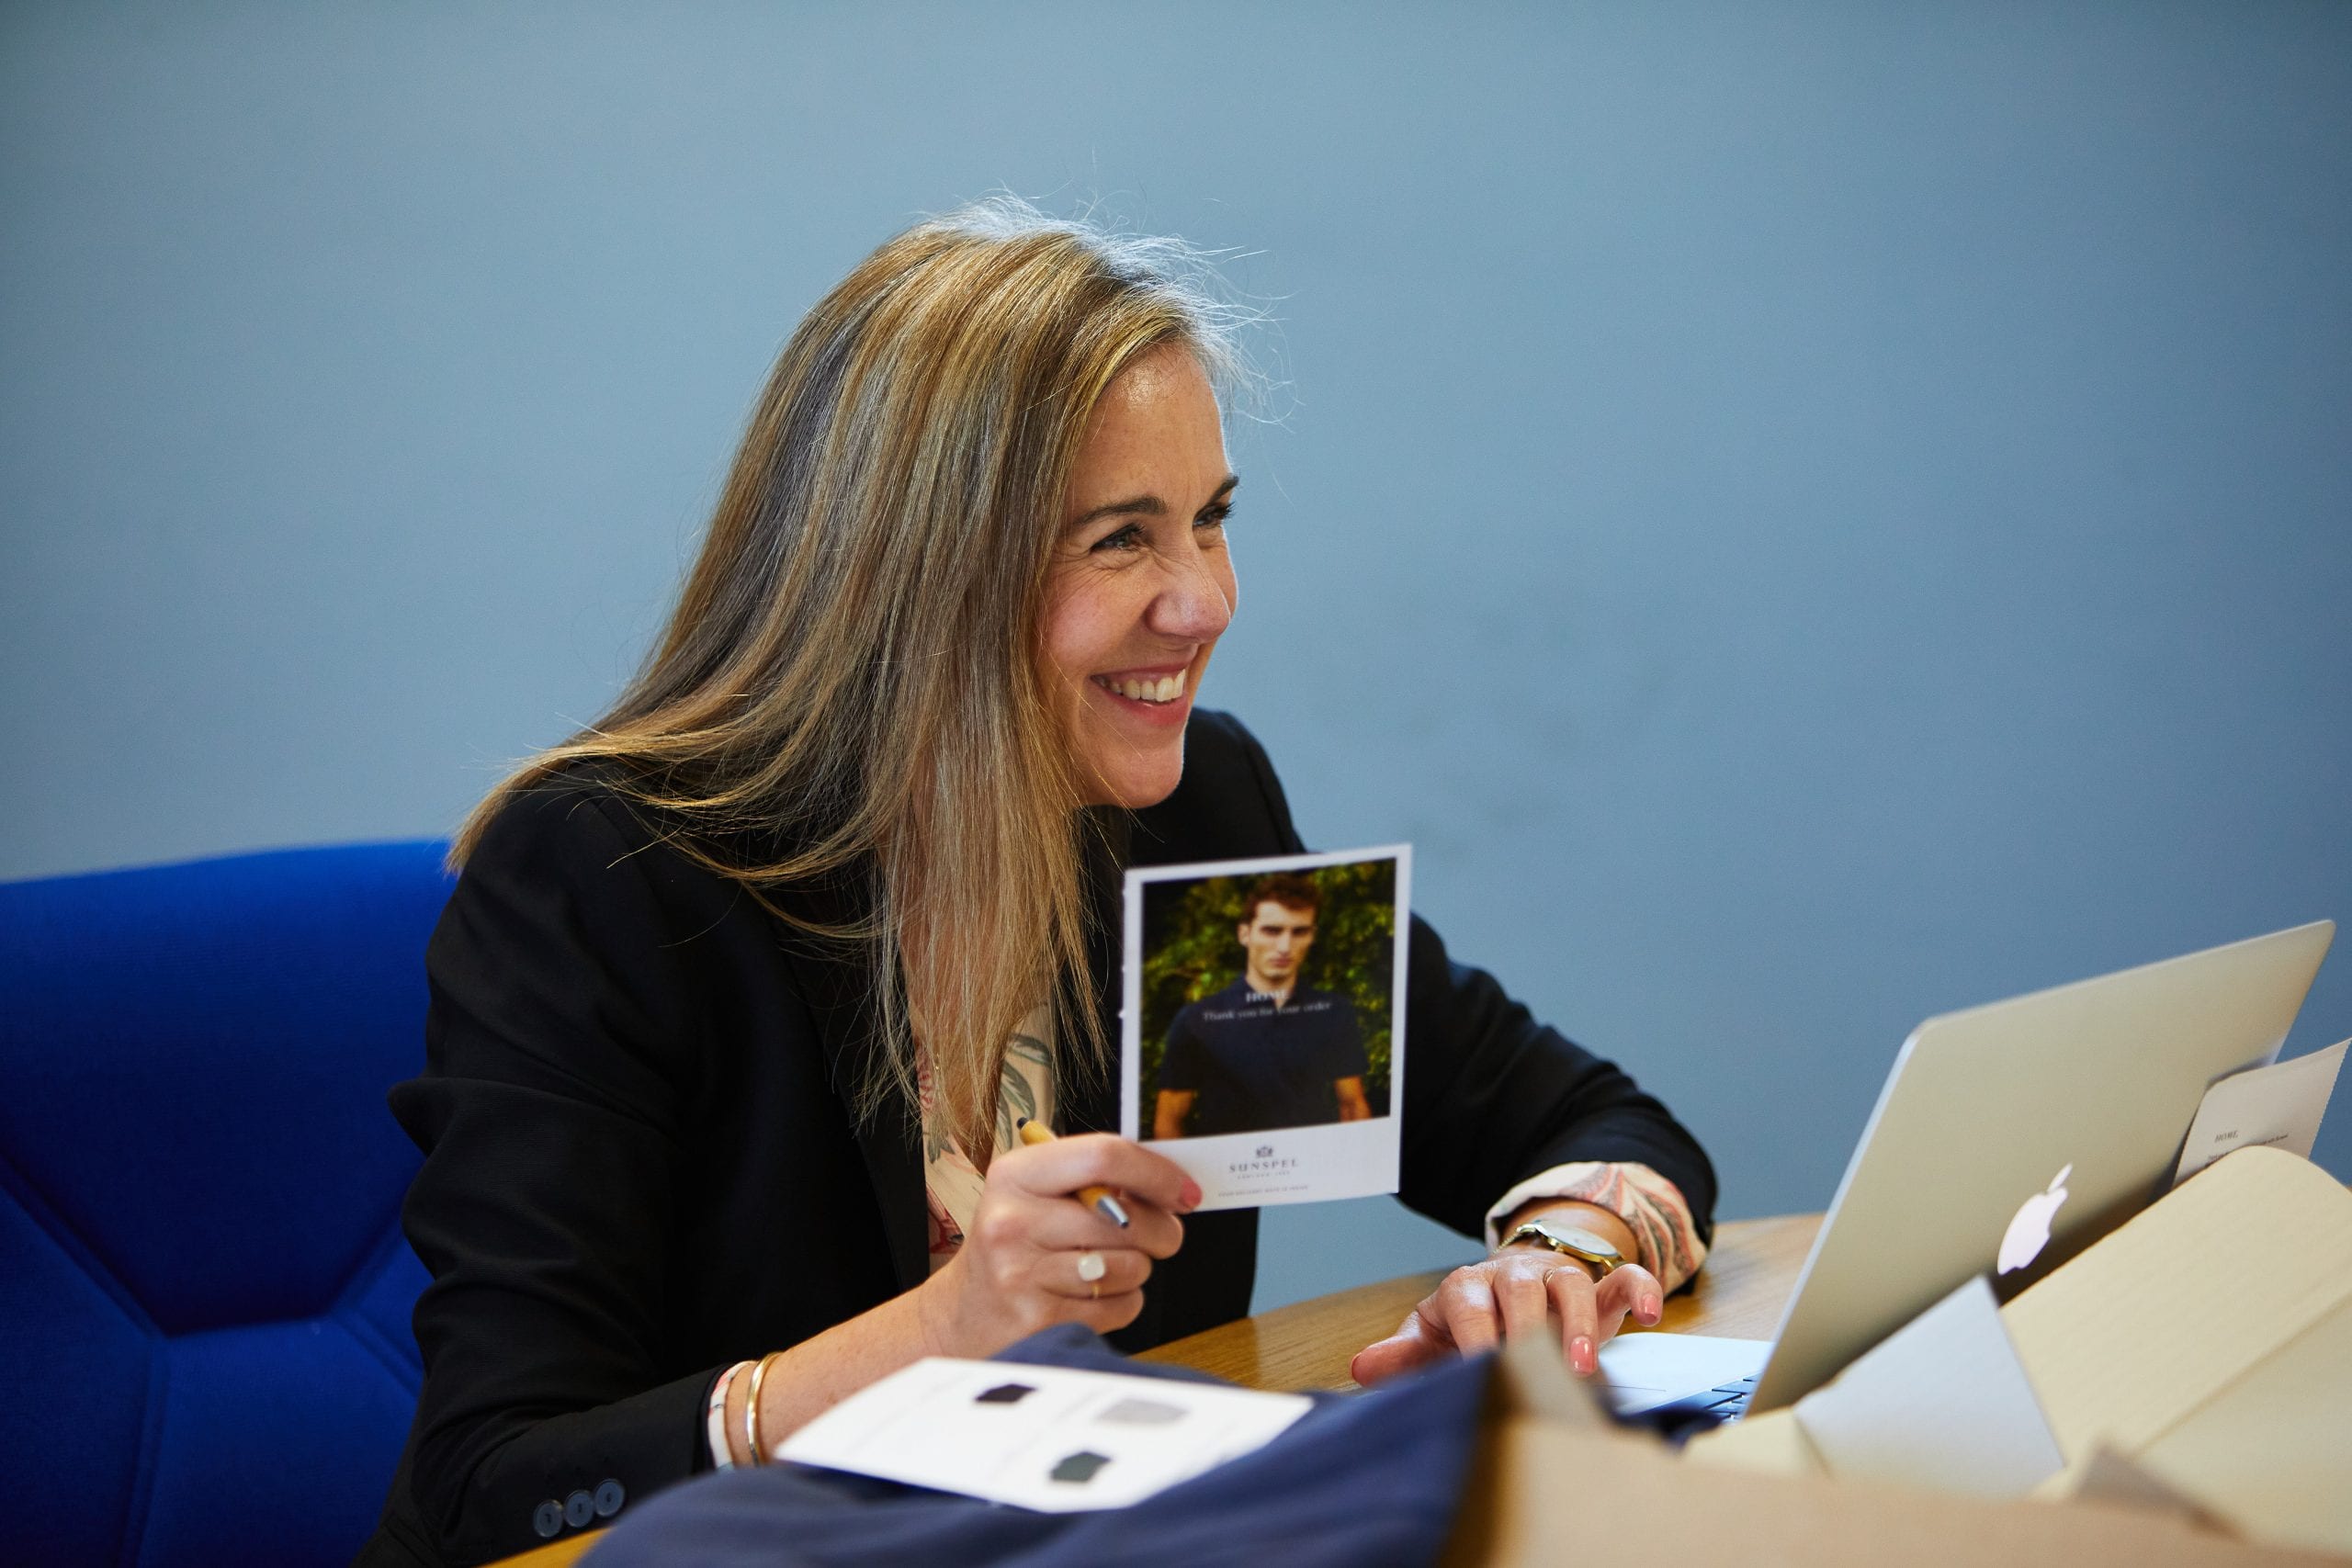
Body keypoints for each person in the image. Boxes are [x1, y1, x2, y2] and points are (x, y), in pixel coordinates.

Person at [361, 200, 1715, 1567]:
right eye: (1123, 538)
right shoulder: (609, 878)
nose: (1205, 601)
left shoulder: (1192, 815)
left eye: (1211, 519)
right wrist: (941, 1331)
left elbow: (1594, 1117)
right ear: (915, 574)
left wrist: (1573, 1251)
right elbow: (501, 1484)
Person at [1152, 873, 1374, 1138]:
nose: (1284, 946)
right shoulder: (1198, 1019)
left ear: (1312, 936)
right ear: (1245, 934)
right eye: (1272, 930)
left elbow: (1352, 1105)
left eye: (1299, 932)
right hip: (1223, 1175)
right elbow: (1168, 1121)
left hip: (1313, 1170)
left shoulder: (1333, 1012)